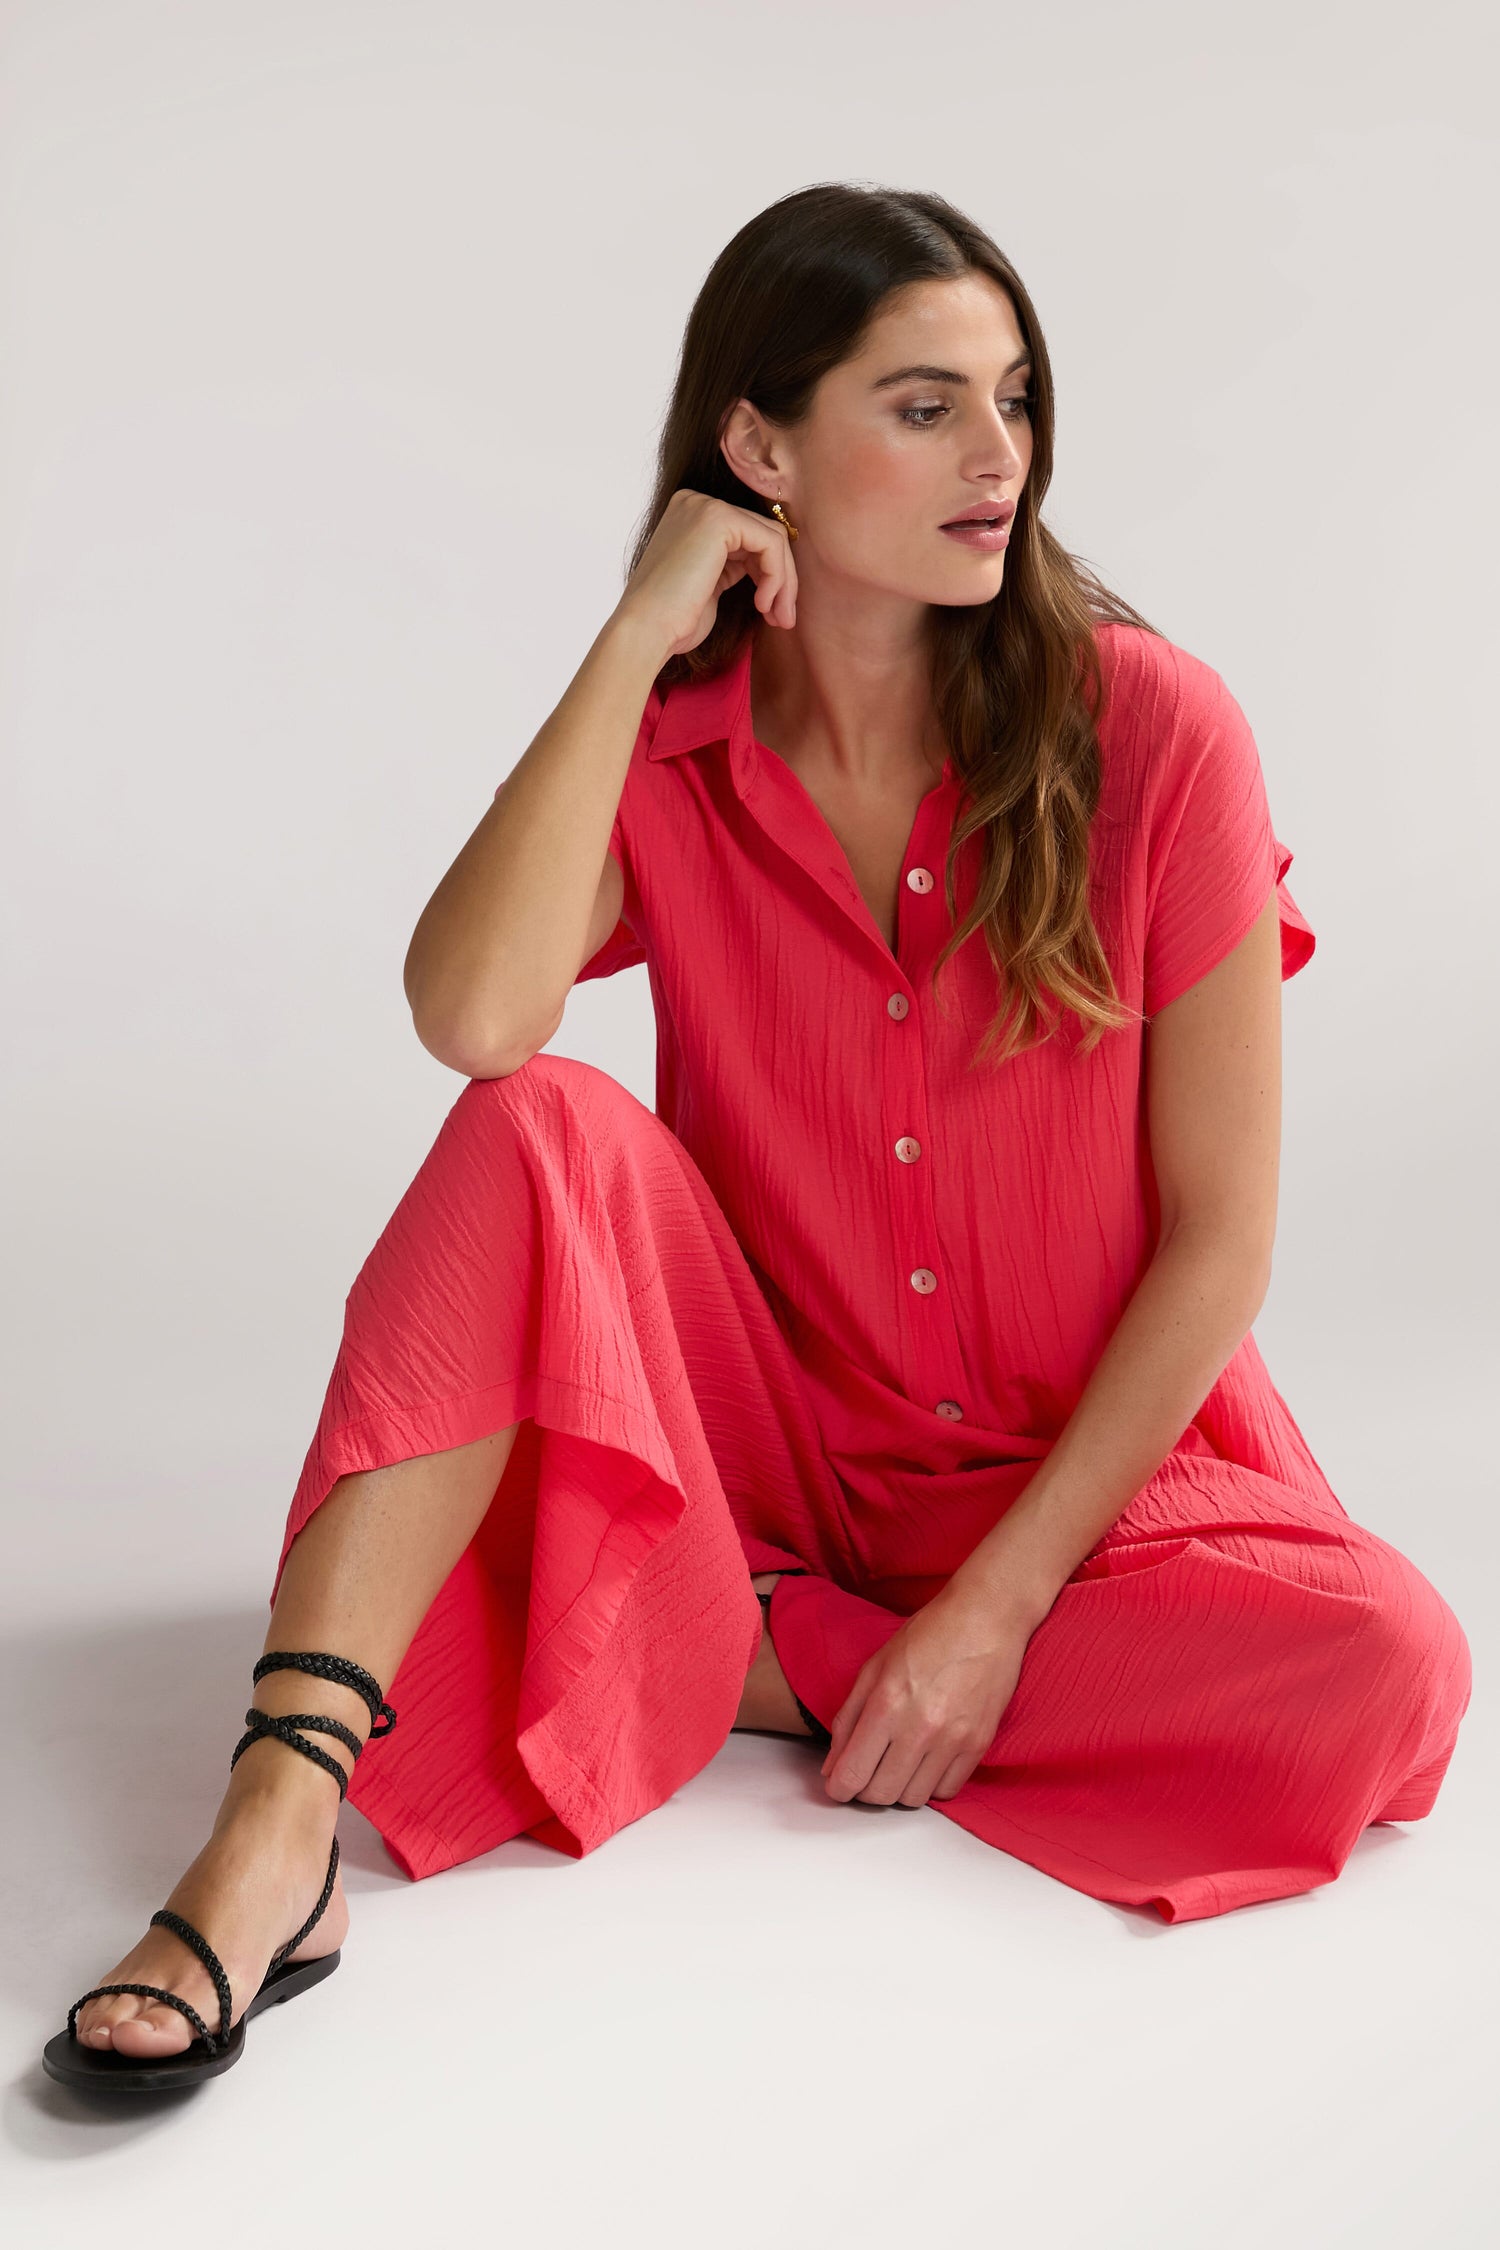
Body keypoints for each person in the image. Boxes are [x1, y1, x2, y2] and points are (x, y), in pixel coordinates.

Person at [51, 182, 1472, 2081]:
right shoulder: (678, 734)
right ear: (758, 442)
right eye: (925, 405)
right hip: (770, 1445)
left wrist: (984, 1616)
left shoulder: (1159, 727)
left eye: (1018, 399)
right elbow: (471, 1015)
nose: (1002, 458)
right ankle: (274, 1822)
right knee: (537, 1117)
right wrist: (644, 628)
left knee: (1391, 1671)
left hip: (1090, 1493)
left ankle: (729, 1653)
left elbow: (1221, 1240)